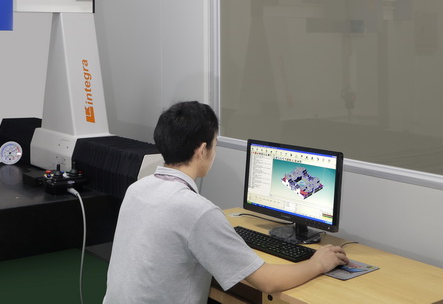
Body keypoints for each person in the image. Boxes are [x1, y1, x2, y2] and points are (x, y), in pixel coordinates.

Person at [103, 101, 347, 304]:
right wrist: (318, 263)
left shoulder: (138, 189)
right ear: (202, 150)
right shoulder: (198, 212)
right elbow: (267, 281)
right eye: (215, 144)